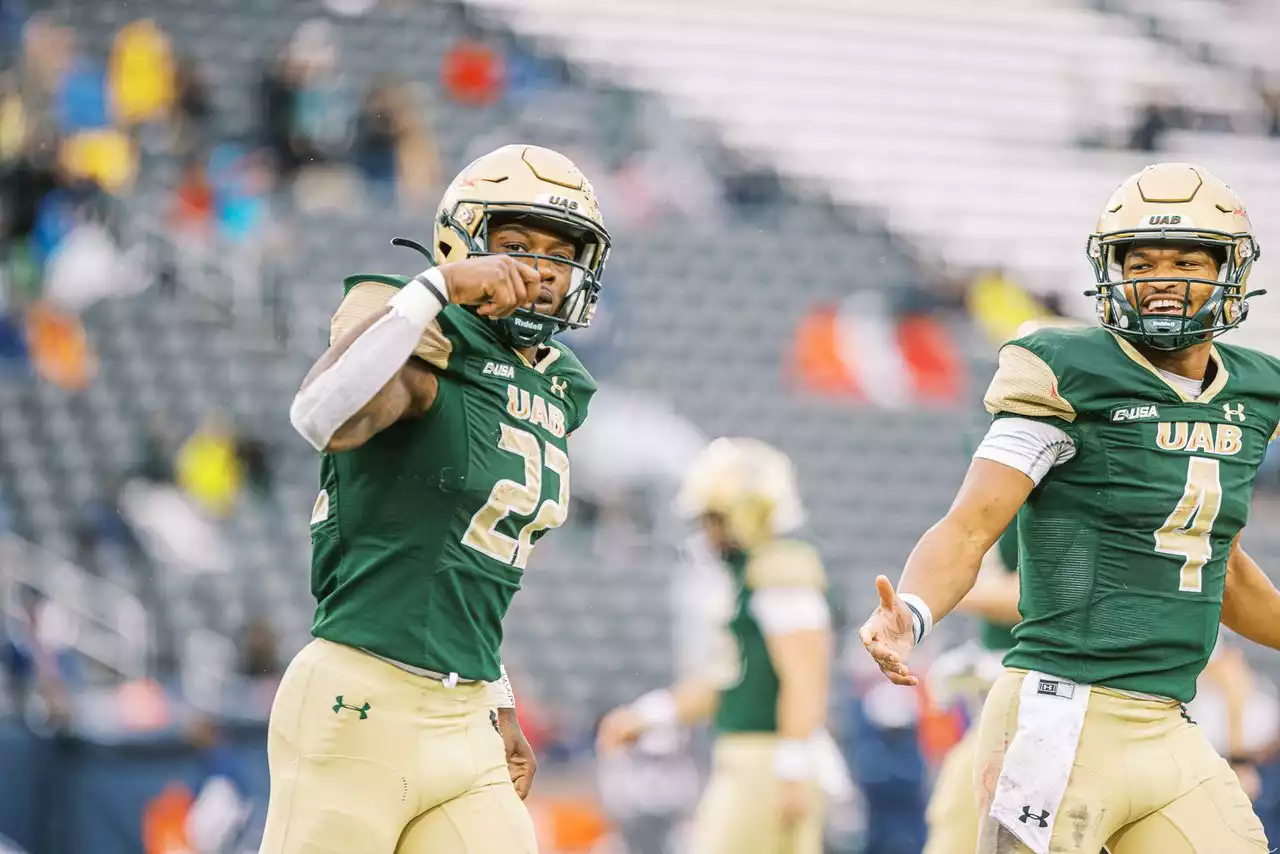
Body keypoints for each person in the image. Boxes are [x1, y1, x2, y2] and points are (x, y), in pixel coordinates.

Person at [859, 161, 1280, 854]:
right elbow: (969, 526)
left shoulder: (1254, 392)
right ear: (1111, 270)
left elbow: (1223, 570)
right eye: (1141, 260)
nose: (1162, 277)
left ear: (1229, 270)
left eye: (1186, 259)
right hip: (1059, 718)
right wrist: (914, 611)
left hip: (1171, 726)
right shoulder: (1067, 367)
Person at [262, 144, 610, 854]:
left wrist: (501, 695)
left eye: (559, 253)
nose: (541, 270)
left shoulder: (557, 384)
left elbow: (471, 553)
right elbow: (318, 417)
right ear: (464, 241)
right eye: (516, 245)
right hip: (361, 700)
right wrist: (436, 287)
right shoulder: (419, 329)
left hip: (467, 715)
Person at [597, 438, 847, 854]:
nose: (707, 530)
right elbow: (729, 680)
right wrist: (649, 715)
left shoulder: (782, 571)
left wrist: (791, 766)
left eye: (714, 516)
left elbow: (806, 677)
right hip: (750, 759)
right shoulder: (750, 577)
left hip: (768, 760)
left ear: (745, 512)